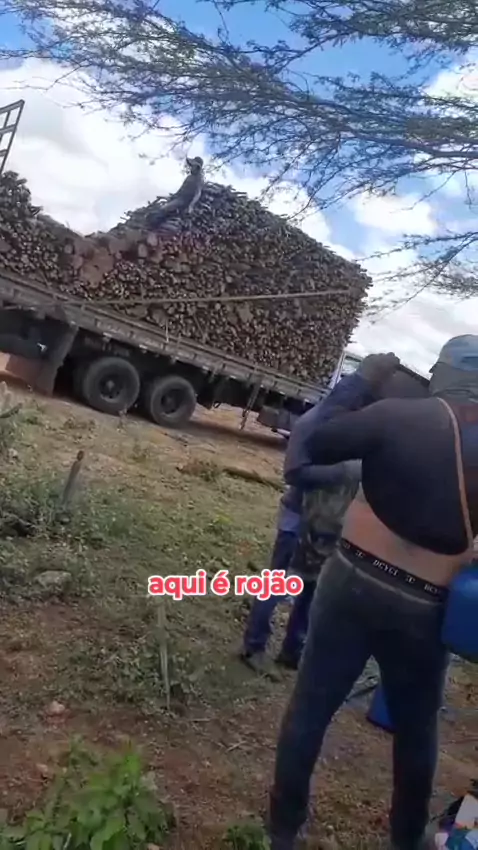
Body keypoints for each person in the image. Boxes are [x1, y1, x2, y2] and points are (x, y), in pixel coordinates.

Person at [268, 335, 478, 850]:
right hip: (428, 605)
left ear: (443, 373)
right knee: (417, 735)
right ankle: (406, 840)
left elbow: (312, 441)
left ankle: (283, 831)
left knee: (310, 709)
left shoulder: (397, 416)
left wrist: (359, 382)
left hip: (351, 580)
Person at [240, 353, 399, 674]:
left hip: (331, 525)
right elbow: (294, 472)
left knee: (313, 590)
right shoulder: (313, 422)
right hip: (298, 521)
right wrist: (344, 472)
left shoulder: (352, 426)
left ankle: (293, 650)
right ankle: (253, 646)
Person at [147, 157, 204, 227]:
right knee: (163, 207)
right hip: (179, 198)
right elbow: (181, 190)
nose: (191, 168)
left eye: (193, 166)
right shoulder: (189, 177)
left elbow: (197, 193)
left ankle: (154, 224)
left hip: (184, 200)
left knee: (164, 209)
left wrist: (191, 205)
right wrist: (173, 196)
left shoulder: (199, 178)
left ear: (197, 167)